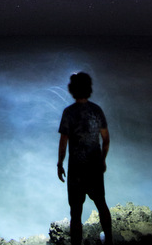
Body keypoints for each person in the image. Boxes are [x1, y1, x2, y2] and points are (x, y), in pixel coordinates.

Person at [57, 72, 113, 245]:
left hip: (76, 168)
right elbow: (105, 139)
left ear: (72, 90)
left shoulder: (69, 113)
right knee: (101, 204)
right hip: (94, 165)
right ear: (89, 89)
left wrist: (60, 164)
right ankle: (109, 240)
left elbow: (63, 142)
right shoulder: (96, 110)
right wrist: (102, 159)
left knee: (75, 211)